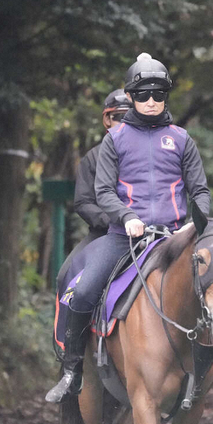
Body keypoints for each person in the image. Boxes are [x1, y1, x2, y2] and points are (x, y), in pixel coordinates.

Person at [46, 53, 213, 405]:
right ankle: (72, 371)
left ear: (166, 96)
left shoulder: (182, 139)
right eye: (142, 95)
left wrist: (195, 222)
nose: (151, 101)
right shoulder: (115, 139)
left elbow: (199, 189)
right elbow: (104, 191)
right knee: (86, 287)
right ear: (133, 97)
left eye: (157, 95)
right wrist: (125, 217)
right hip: (125, 236)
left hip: (173, 235)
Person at [56, 89, 132, 290]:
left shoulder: (153, 154)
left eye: (131, 118)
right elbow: (83, 202)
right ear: (107, 119)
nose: (125, 124)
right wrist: (115, 222)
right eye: (119, 118)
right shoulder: (92, 158)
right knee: (65, 275)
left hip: (149, 231)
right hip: (105, 233)